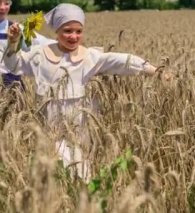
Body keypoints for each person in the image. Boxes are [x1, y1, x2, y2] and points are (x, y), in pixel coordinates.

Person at [3, 3, 163, 182]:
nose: (74, 36)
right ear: (57, 31)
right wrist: (13, 42)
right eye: (68, 31)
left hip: (81, 136)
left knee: (82, 177)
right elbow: (13, 65)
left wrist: (156, 71)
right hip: (48, 134)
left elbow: (122, 61)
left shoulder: (90, 57)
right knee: (55, 177)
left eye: (78, 31)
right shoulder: (40, 56)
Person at [0, 0, 55, 88]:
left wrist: (64, 45)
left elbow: (41, 42)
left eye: (6, 3)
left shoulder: (17, 29)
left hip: (10, 86)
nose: (2, 8)